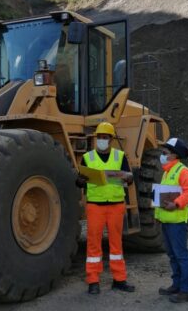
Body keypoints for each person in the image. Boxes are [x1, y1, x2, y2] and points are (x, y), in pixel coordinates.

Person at [76, 122, 135, 295]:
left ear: (110, 139)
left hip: (116, 205)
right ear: (96, 139)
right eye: (99, 137)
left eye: (105, 137)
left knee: (116, 244)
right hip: (95, 206)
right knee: (93, 244)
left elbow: (129, 178)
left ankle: (119, 279)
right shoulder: (88, 157)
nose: (102, 140)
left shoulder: (120, 156)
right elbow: (80, 180)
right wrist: (79, 180)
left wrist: (128, 176)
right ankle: (93, 280)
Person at [155, 137, 188, 303]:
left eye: (165, 152)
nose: (162, 155)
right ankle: (177, 285)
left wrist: (176, 203)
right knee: (173, 255)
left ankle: (187, 291)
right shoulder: (167, 171)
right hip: (167, 221)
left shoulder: (182, 171)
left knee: (181, 255)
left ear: (174, 155)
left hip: (178, 222)